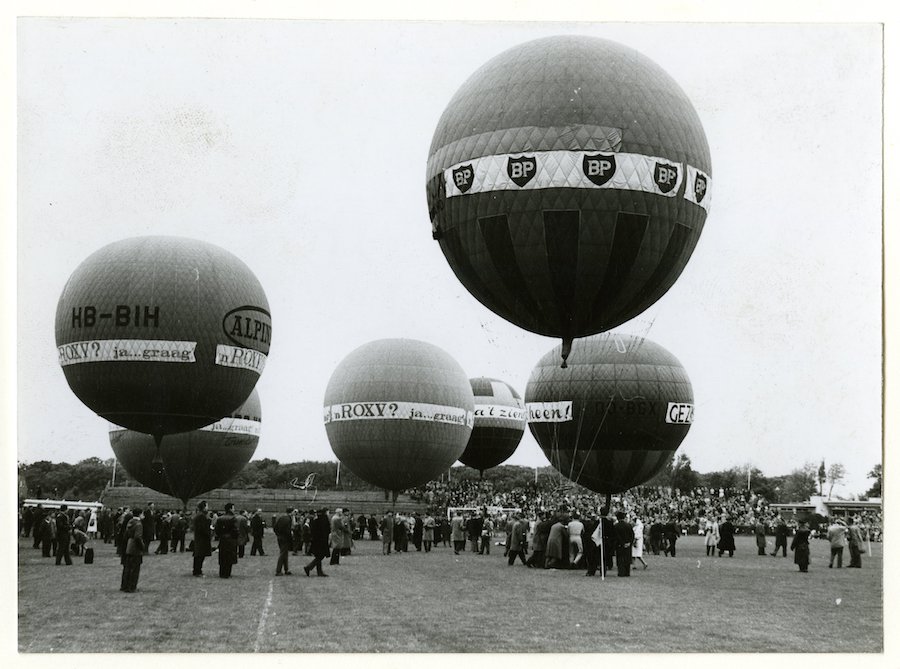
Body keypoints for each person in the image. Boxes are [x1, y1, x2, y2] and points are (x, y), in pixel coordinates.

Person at [120, 508, 144, 592]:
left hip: (128, 546)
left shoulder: (130, 522)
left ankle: (125, 586)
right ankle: (132, 587)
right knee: (135, 568)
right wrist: (142, 546)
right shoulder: (139, 524)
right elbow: (138, 537)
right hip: (135, 548)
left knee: (127, 568)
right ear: (140, 514)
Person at [214, 503, 239, 578]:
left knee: (222, 556)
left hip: (222, 539)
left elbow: (217, 530)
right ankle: (227, 573)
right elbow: (235, 530)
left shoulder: (220, 518)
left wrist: (220, 535)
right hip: (231, 540)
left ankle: (222, 573)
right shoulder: (233, 518)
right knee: (229, 557)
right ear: (230, 509)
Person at [304, 508, 330, 577]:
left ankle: (319, 571)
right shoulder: (324, 520)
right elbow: (327, 530)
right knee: (320, 556)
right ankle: (309, 567)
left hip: (316, 541)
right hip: (322, 541)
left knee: (318, 556)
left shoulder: (316, 520)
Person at [192, 501, 211, 577]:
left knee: (198, 555)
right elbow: (203, 528)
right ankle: (198, 571)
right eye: (207, 506)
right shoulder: (202, 516)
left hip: (199, 538)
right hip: (202, 538)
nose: (208, 508)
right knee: (200, 555)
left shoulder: (199, 515)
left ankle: (196, 570)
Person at [274, 507, 293, 575]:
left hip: (280, 537)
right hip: (285, 538)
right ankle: (278, 570)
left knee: (284, 554)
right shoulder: (288, 519)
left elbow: (275, 527)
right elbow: (288, 531)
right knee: (283, 554)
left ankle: (286, 569)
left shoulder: (281, 518)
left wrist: (278, 534)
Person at [613, 511, 633, 577]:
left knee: (620, 559)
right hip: (628, 544)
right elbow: (632, 535)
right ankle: (627, 572)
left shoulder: (616, 526)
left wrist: (622, 543)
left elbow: (616, 536)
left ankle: (621, 572)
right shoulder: (629, 525)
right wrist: (629, 543)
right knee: (627, 558)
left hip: (620, 545)